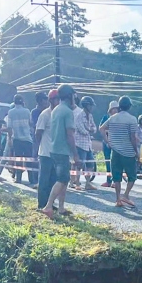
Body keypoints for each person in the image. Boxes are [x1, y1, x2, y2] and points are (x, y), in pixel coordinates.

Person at [42, 84, 80, 220]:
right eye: (73, 95)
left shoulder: (56, 110)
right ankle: (48, 206)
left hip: (54, 149)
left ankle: (61, 208)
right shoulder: (68, 112)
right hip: (62, 150)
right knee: (62, 179)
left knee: (64, 179)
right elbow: (70, 134)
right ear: (70, 96)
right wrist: (76, 154)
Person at [100, 95, 140, 209]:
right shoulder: (132, 119)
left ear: (120, 106)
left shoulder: (112, 118)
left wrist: (107, 141)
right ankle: (126, 195)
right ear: (129, 106)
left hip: (115, 152)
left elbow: (101, 128)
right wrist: (136, 152)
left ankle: (118, 199)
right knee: (132, 176)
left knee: (116, 177)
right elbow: (133, 137)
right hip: (128, 152)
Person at [35, 88, 60, 210]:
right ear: (51, 100)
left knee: (53, 180)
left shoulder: (59, 114)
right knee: (44, 180)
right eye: (57, 99)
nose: (59, 102)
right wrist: (39, 147)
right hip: (45, 152)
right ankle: (41, 204)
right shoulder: (45, 114)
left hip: (56, 152)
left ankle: (49, 203)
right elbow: (38, 133)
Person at [3, 95, 34, 184]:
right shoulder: (27, 111)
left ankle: (18, 178)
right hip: (27, 139)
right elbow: (30, 123)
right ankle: (31, 179)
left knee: (18, 159)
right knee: (29, 160)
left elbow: (9, 127)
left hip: (16, 139)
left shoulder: (11, 112)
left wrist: (9, 139)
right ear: (22, 102)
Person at [72, 96, 98, 191]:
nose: (92, 107)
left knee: (90, 164)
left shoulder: (90, 116)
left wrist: (90, 130)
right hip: (80, 144)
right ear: (86, 105)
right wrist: (89, 130)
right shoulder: (79, 115)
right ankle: (77, 183)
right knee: (79, 164)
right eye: (90, 105)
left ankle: (88, 183)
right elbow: (82, 130)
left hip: (88, 144)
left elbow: (94, 128)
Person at [29, 91, 50, 188]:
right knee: (36, 159)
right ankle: (35, 180)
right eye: (44, 99)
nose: (46, 101)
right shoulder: (35, 112)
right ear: (39, 101)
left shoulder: (50, 111)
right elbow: (35, 127)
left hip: (48, 139)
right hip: (37, 138)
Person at [100, 100, 118, 187]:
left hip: (116, 142)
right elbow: (101, 128)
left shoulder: (119, 118)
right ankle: (108, 181)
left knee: (116, 162)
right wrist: (107, 140)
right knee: (108, 161)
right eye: (113, 109)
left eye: (116, 109)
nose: (115, 110)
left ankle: (115, 181)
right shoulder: (106, 117)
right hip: (106, 142)